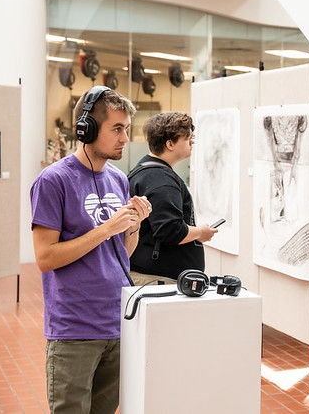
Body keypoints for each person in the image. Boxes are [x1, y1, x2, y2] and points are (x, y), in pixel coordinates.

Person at [30, 86, 152, 414]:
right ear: (87, 129)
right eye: (117, 128)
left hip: (116, 322)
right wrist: (105, 229)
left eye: (126, 129)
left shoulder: (118, 180)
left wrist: (133, 226)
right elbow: (45, 258)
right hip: (74, 330)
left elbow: (120, 255)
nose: (125, 138)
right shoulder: (53, 181)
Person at [128, 112, 218, 285]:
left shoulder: (145, 172)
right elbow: (171, 231)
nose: (192, 142)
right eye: (187, 138)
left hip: (151, 276)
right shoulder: (162, 181)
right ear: (170, 143)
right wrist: (200, 233)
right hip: (156, 279)